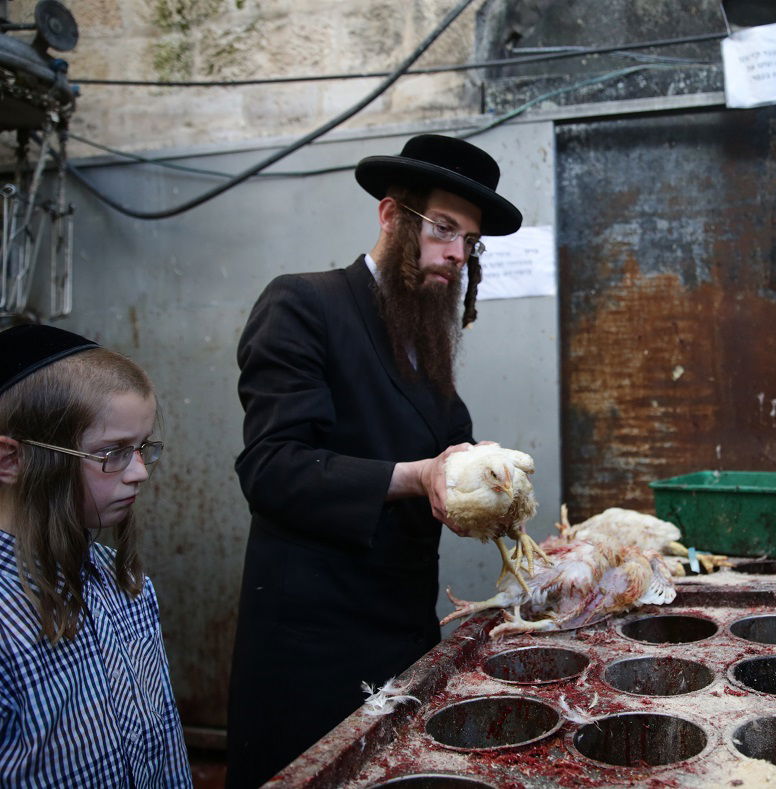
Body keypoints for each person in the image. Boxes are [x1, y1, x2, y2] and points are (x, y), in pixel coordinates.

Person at [226, 134, 523, 787]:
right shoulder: (305, 306)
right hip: (314, 649)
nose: (456, 252)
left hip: (403, 636)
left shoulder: (429, 349)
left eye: (470, 241)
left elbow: (452, 466)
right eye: (444, 228)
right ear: (390, 216)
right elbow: (273, 468)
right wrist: (417, 477)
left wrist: (505, 507)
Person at [0, 324, 191, 787]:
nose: (140, 473)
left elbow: (163, 743)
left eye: (143, 448)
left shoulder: (122, 580)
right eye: (112, 453)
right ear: (11, 461)